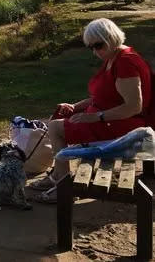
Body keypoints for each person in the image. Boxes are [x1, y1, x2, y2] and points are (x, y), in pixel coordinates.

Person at [31, 18, 151, 203]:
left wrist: (96, 117)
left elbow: (134, 106)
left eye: (98, 45)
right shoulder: (114, 57)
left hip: (124, 128)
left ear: (110, 38)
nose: (95, 51)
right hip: (111, 119)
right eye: (91, 47)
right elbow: (103, 97)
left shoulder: (125, 63)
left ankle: (64, 187)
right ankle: (58, 176)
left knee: (55, 128)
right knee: (58, 118)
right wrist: (74, 107)